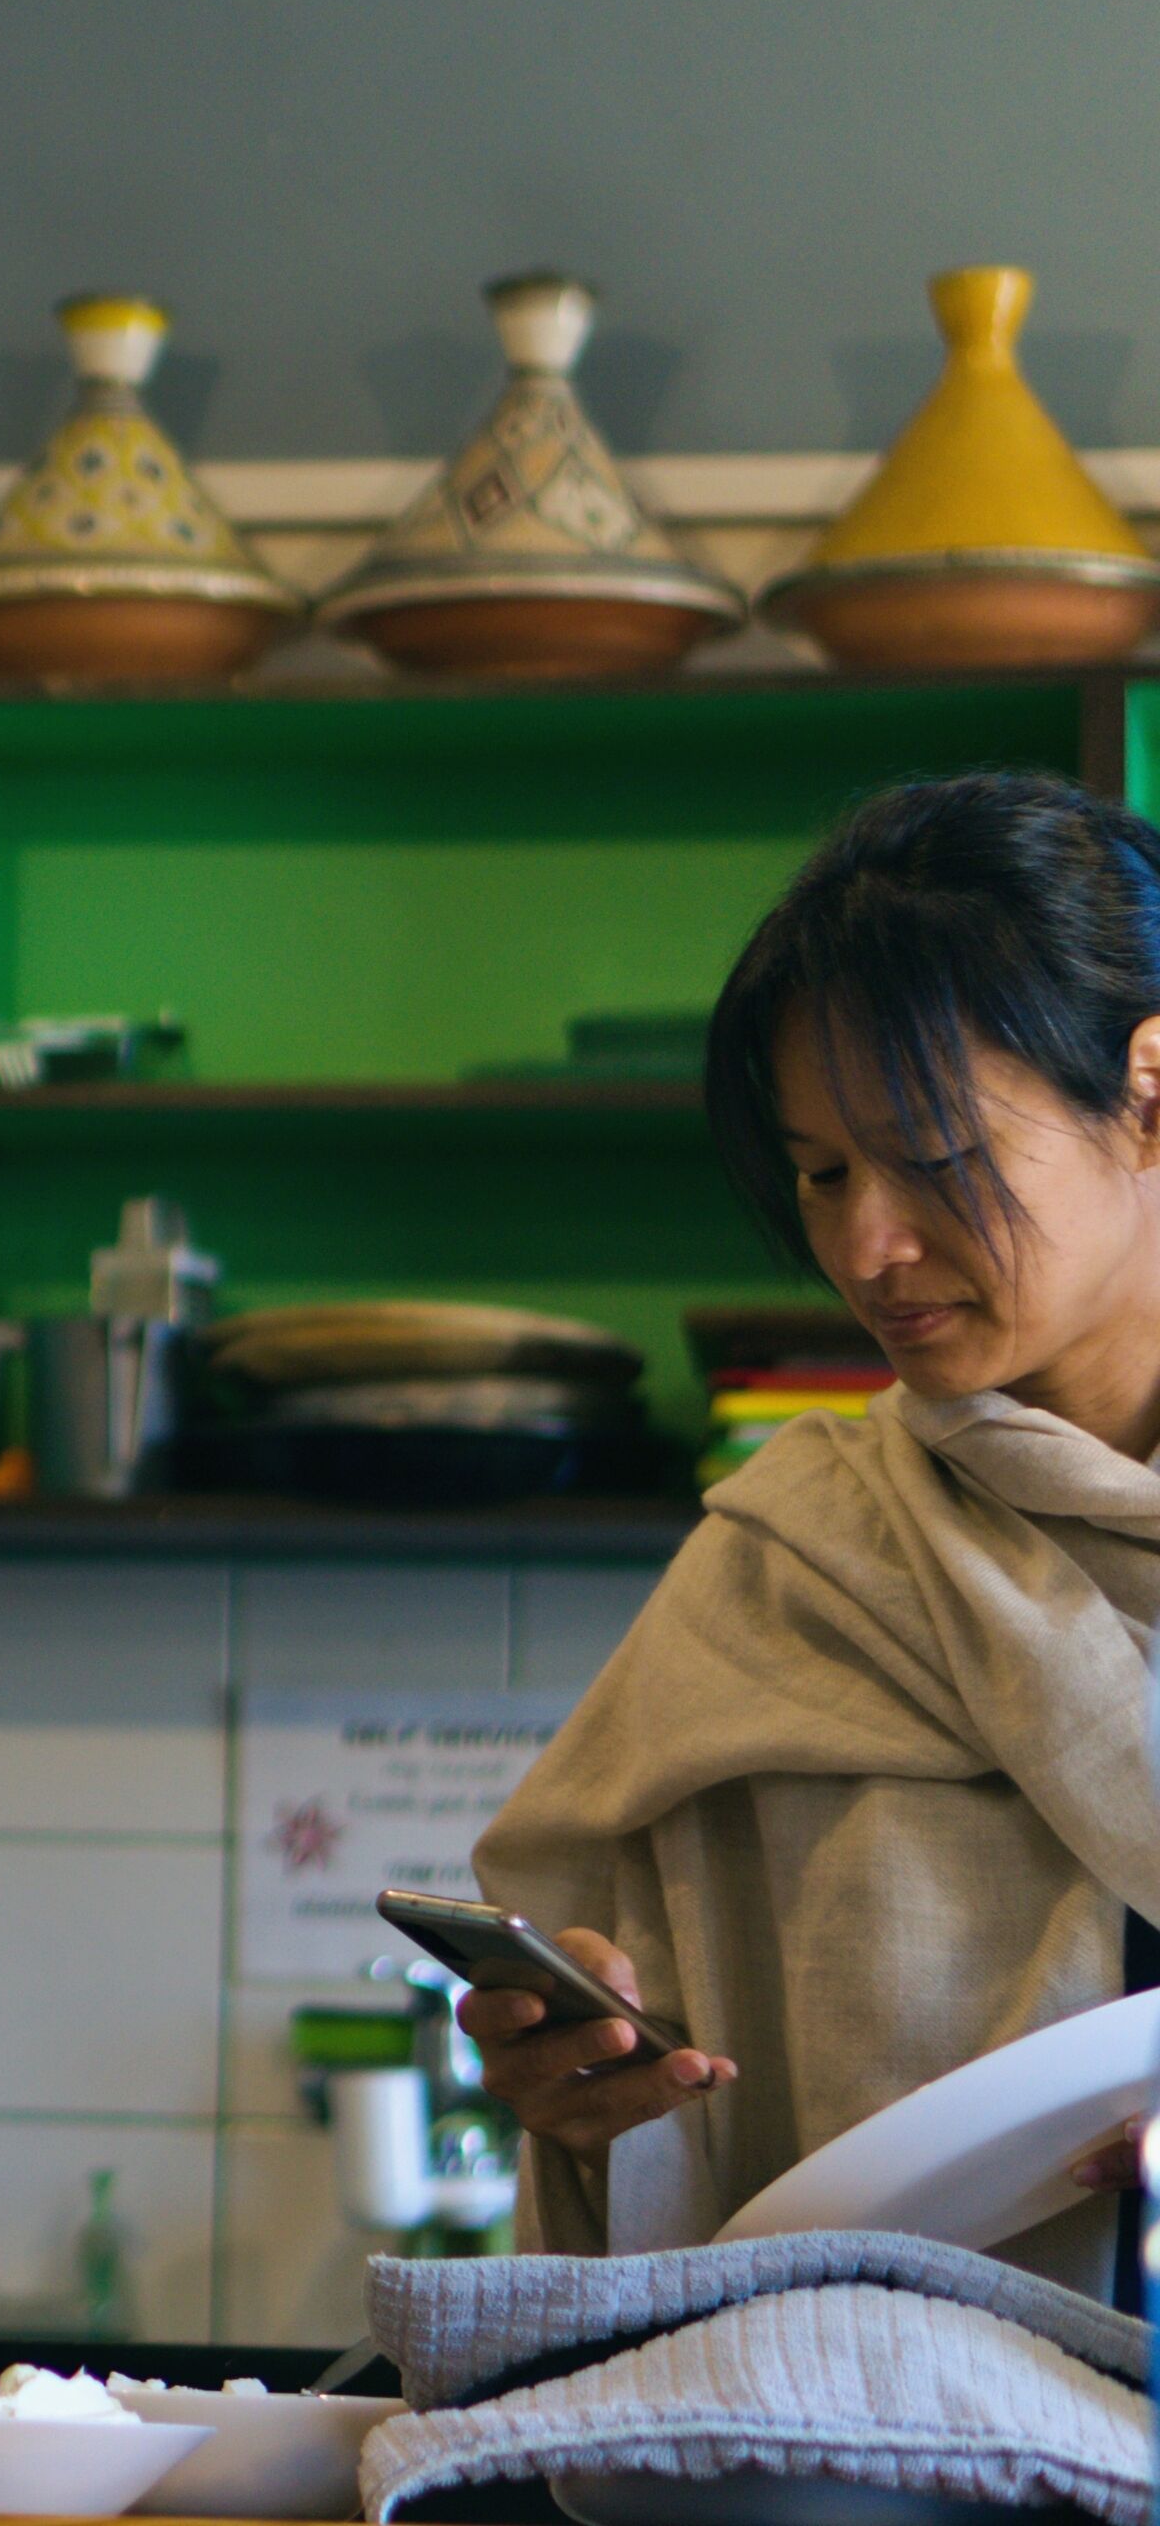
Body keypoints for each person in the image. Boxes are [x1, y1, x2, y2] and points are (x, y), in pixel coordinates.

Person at [474, 771, 1160, 2297]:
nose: (865, 1246)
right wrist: (586, 2101)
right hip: (847, 2409)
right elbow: (654, 2086)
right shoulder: (793, 1554)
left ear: (1150, 1094)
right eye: (823, 1171)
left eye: (938, 1159)